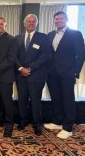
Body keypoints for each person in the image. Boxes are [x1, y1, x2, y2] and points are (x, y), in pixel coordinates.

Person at [44, 11, 85, 139]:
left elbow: (81, 54)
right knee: (56, 98)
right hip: (52, 73)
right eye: (56, 19)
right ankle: (57, 121)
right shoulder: (50, 35)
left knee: (68, 100)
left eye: (61, 19)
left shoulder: (75, 34)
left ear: (66, 20)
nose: (58, 21)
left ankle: (68, 127)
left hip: (67, 73)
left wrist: (75, 71)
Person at [15, 14, 49, 136]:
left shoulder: (43, 38)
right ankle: (22, 122)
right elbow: (14, 56)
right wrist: (20, 68)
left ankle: (36, 124)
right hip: (21, 75)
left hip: (36, 75)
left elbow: (45, 56)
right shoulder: (17, 38)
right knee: (22, 100)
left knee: (35, 101)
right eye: (28, 21)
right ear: (24, 23)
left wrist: (30, 68)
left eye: (33, 21)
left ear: (36, 24)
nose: (31, 23)